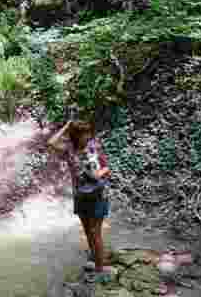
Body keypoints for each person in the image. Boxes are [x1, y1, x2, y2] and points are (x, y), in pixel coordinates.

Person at [48, 119, 114, 282]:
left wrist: (100, 174)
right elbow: (51, 142)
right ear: (75, 135)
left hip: (98, 194)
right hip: (80, 195)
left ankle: (101, 269)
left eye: (89, 133)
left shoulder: (94, 147)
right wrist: (66, 126)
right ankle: (95, 261)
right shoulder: (68, 150)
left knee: (95, 232)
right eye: (84, 134)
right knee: (87, 231)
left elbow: (107, 167)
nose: (88, 136)